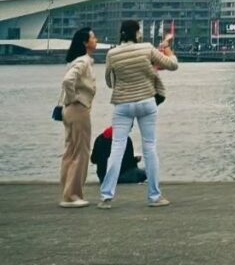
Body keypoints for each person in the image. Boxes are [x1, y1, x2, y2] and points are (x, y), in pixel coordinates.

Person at [98, 19, 179, 208]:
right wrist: (167, 48)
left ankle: (106, 196)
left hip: (123, 104)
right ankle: (154, 196)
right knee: (149, 147)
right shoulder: (147, 49)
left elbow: (109, 82)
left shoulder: (112, 54)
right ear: (136, 33)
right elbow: (172, 65)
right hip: (146, 102)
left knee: (116, 149)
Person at [59, 27, 97, 208]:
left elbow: (68, 81)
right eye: (92, 37)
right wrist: (75, 98)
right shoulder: (83, 61)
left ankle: (67, 193)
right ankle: (73, 195)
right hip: (78, 109)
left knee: (70, 151)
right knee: (81, 152)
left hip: (69, 110)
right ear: (85, 42)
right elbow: (68, 81)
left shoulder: (76, 60)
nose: (95, 39)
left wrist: (70, 99)